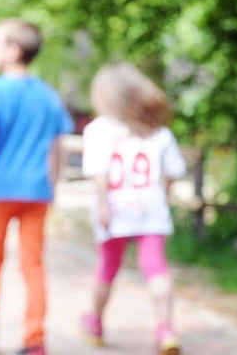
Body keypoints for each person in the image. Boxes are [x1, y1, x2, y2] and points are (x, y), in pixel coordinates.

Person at [0, 18, 74, 355]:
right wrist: (53, 183)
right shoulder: (49, 96)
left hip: (0, 188)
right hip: (37, 191)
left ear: (12, 51)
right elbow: (58, 147)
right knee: (33, 263)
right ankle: (35, 337)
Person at [80, 62, 186, 355]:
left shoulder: (99, 130)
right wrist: (160, 197)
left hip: (114, 212)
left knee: (107, 268)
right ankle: (165, 328)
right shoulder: (158, 131)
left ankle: (96, 322)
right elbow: (172, 171)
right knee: (156, 268)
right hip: (150, 211)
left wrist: (102, 204)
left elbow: (99, 173)